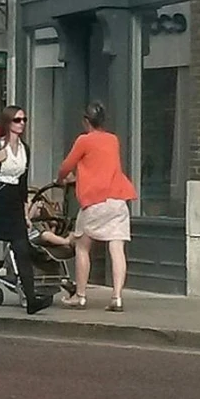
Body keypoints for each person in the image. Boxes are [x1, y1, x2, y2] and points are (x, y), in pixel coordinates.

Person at [55, 102, 138, 311]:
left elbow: (66, 165)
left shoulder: (84, 140)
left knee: (82, 246)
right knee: (117, 247)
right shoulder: (113, 140)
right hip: (118, 198)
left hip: (95, 201)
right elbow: (101, 166)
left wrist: (61, 179)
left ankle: (80, 296)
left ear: (86, 121)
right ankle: (117, 297)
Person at [0, 107, 48, 314]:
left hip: (13, 203)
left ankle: (31, 300)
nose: (21, 123)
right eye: (17, 120)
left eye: (24, 120)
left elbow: (22, 184)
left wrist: (25, 212)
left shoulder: (24, 149)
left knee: (22, 251)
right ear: (7, 122)